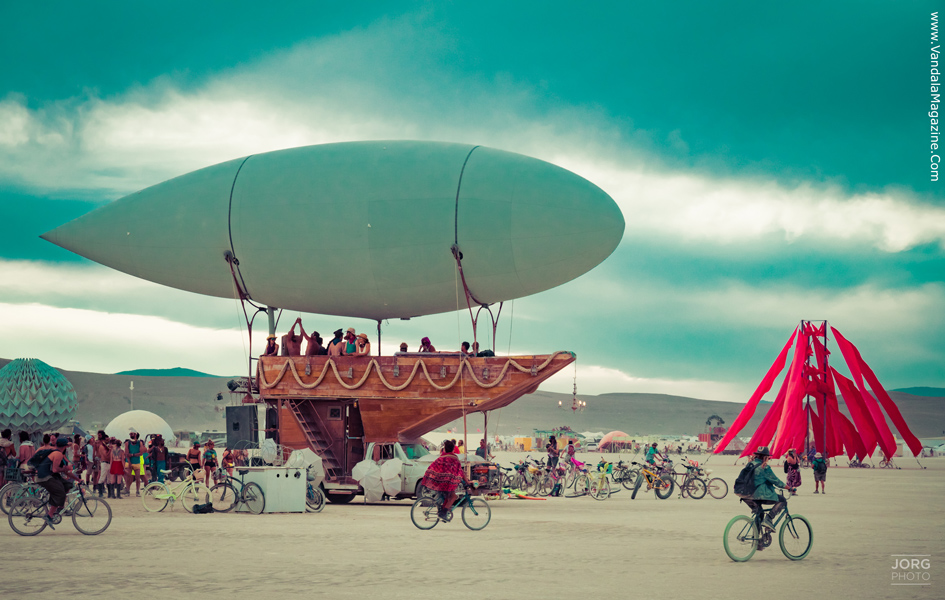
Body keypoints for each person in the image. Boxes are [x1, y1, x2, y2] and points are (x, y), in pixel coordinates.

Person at [742, 446, 794, 532]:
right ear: (766, 457)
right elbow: (776, 481)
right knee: (782, 500)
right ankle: (769, 519)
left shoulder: (750, 464)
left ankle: (757, 541)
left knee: (759, 513)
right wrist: (789, 488)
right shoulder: (764, 467)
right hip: (759, 495)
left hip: (745, 495)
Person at [419, 439, 471, 520]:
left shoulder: (441, 457)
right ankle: (443, 513)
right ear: (453, 449)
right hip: (447, 483)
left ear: (445, 448)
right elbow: (460, 471)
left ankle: (444, 511)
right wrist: (466, 481)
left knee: (448, 497)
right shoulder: (454, 458)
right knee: (453, 496)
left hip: (439, 482)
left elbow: (432, 467)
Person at [34, 437, 82, 522]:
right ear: (65, 446)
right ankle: (49, 515)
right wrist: (66, 467)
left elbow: (66, 471)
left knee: (67, 485)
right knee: (60, 493)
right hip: (45, 477)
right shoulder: (58, 454)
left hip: (49, 476)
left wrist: (77, 479)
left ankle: (60, 508)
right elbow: (55, 469)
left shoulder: (59, 454)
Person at [125, 431, 147, 496]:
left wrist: (131, 455)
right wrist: (129, 462)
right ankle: (128, 491)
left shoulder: (139, 443)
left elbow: (141, 453)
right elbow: (126, 454)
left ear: (135, 434)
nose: (131, 435)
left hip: (137, 462)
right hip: (130, 462)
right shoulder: (127, 443)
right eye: (130, 434)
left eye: (132, 434)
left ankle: (137, 491)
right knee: (129, 478)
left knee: (138, 478)